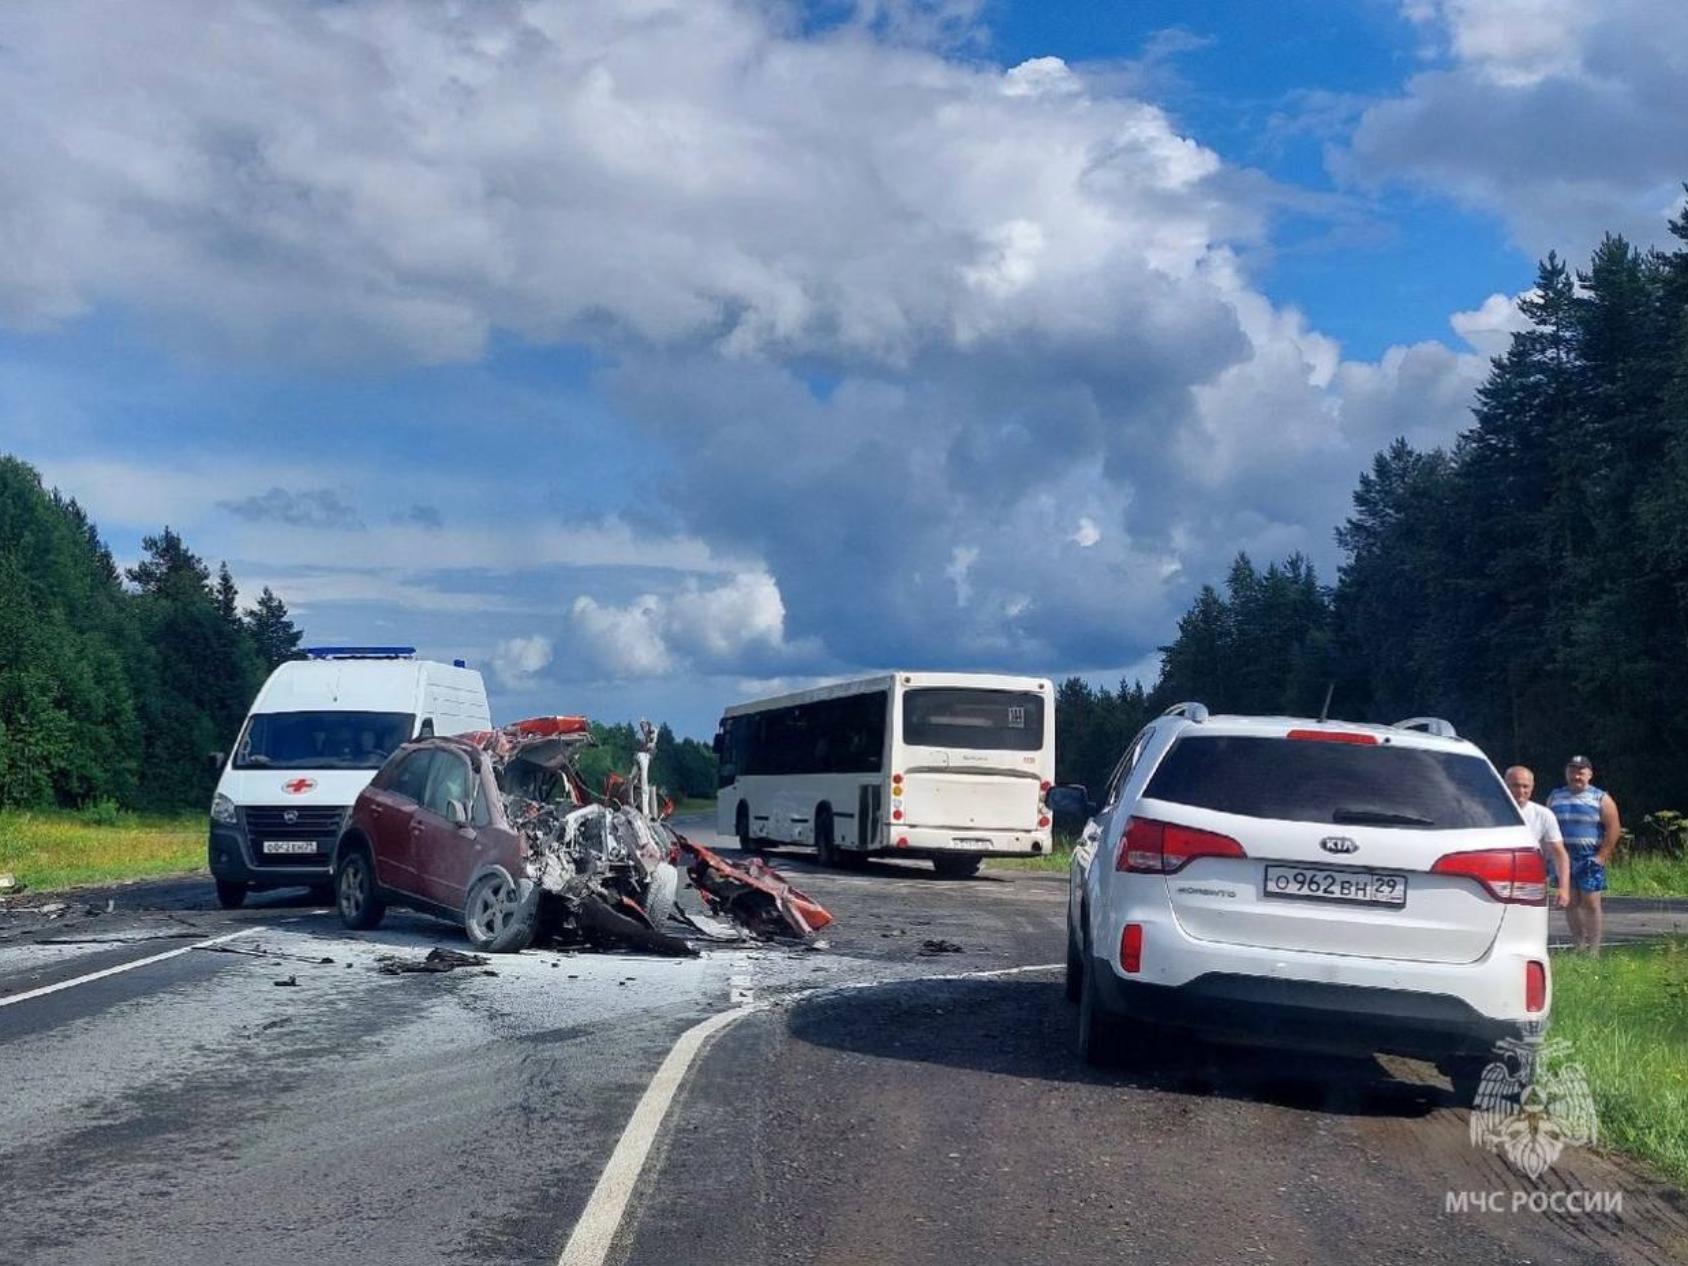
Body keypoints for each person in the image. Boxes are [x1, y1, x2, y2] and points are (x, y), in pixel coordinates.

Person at [1547, 755, 1621, 953]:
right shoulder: (1555, 796)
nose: (1576, 775)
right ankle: (1578, 945)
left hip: (1589, 857)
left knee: (1591, 902)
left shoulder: (1601, 798)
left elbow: (1613, 828)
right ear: (1566, 773)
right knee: (1570, 901)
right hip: (1563, 856)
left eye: (1581, 771)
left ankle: (1594, 949)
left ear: (1589, 774)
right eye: (1572, 770)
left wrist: (1602, 856)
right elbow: (1547, 827)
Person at [1504, 766, 1570, 911]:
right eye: (1515, 785)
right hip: (1497, 877)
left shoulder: (1544, 815)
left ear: (1532, 787)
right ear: (1504, 785)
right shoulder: (1488, 811)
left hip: (1531, 879)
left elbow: (1559, 853)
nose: (1521, 791)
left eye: (1525, 786)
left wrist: (1564, 888)